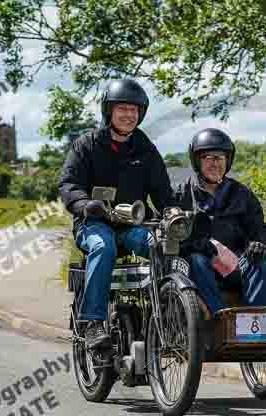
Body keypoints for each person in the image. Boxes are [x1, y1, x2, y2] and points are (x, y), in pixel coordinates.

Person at [58, 78, 175, 356]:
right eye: (122, 109)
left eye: (135, 110)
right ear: (108, 111)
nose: (129, 115)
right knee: (103, 246)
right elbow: (68, 184)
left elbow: (162, 192)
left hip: (133, 225)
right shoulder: (86, 145)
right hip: (94, 223)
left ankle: (168, 316)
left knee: (162, 245)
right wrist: (85, 204)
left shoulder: (145, 149)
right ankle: (93, 323)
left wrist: (171, 212)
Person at [177, 128, 266, 315]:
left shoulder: (242, 194)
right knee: (197, 260)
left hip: (235, 266)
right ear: (197, 161)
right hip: (200, 269)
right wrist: (195, 245)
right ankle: (221, 320)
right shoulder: (181, 193)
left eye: (220, 158)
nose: (215, 163)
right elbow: (170, 232)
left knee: (261, 262)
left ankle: (259, 324)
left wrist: (261, 244)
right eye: (208, 158)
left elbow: (260, 229)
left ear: (228, 161)